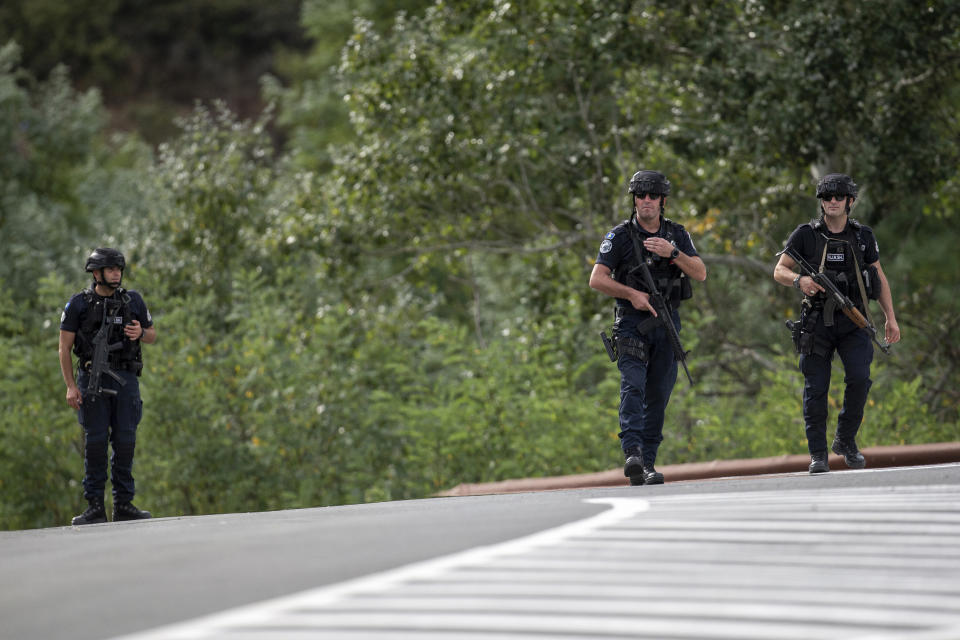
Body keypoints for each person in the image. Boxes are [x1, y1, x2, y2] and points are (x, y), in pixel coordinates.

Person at [774, 174, 900, 474]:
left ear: (850, 202)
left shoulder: (862, 236)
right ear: (821, 202)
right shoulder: (805, 234)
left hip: (854, 320)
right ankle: (818, 454)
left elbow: (878, 277)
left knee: (859, 378)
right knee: (815, 389)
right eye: (827, 197)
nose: (832, 202)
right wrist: (799, 280)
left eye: (838, 197)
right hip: (817, 323)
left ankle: (845, 439)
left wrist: (890, 318)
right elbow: (779, 270)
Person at [589, 170, 707, 485]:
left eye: (652, 196)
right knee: (633, 385)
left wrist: (673, 253)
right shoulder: (620, 236)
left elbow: (700, 273)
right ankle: (633, 453)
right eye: (640, 196)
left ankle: (648, 462)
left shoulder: (677, 234)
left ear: (662, 201)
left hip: (666, 321)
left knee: (658, 393)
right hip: (631, 322)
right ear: (635, 200)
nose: (645, 201)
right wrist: (632, 295)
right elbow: (597, 279)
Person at [59, 248, 156, 524]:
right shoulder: (78, 304)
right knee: (96, 442)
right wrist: (70, 386)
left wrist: (140, 334)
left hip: (125, 378)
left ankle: (124, 504)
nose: (116, 273)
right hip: (92, 379)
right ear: (96, 272)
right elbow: (64, 348)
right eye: (111, 269)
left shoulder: (132, 300)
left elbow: (152, 334)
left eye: (119, 269)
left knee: (126, 440)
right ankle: (94, 507)